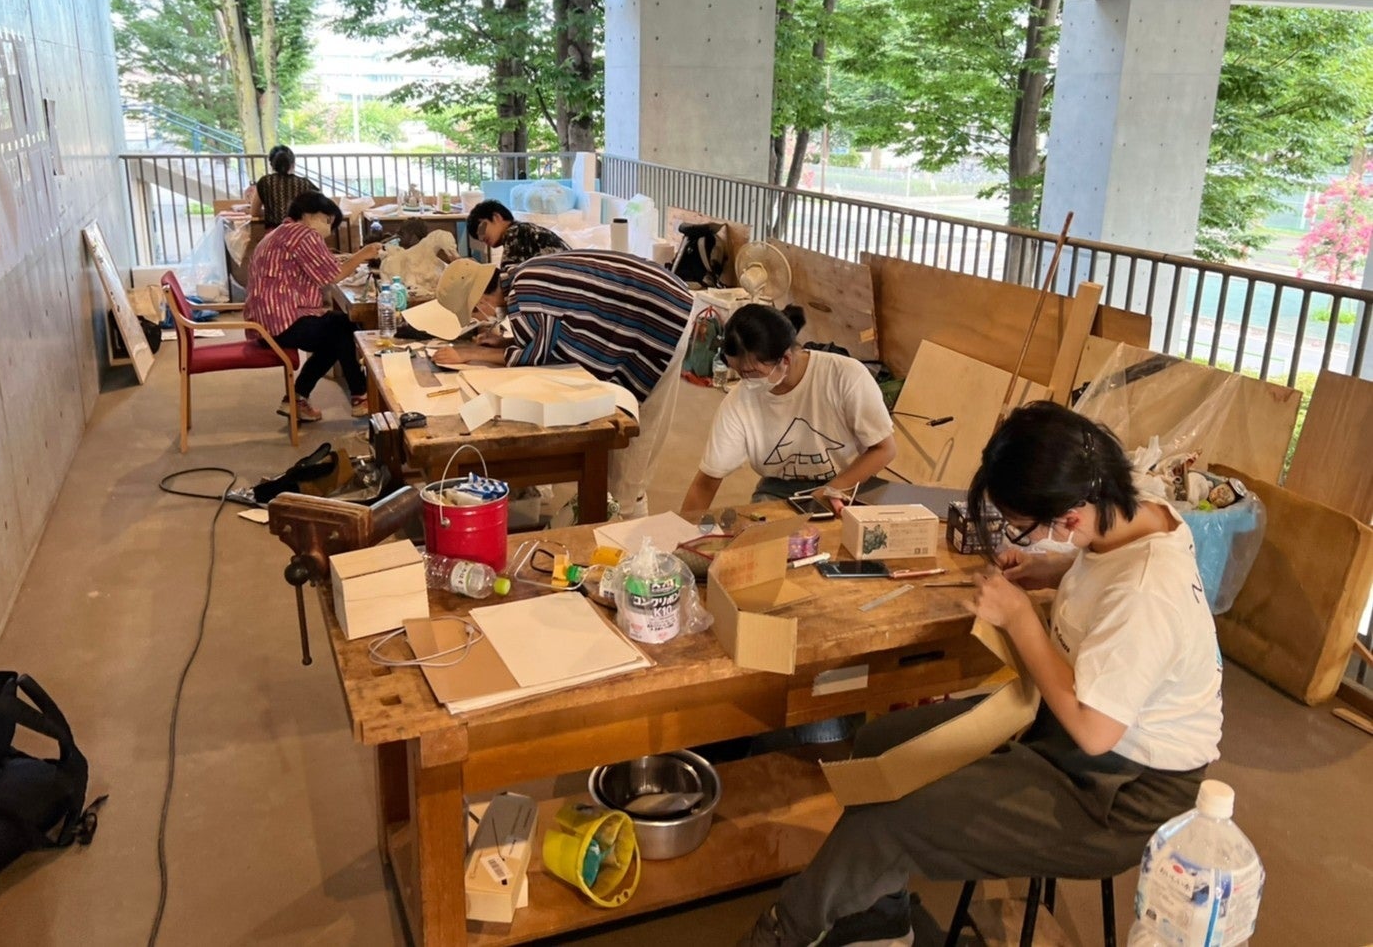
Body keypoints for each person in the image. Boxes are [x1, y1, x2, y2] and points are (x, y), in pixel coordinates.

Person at [739, 401, 1223, 947]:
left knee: (891, 816)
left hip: (1119, 792)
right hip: (1069, 730)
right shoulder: (1133, 509)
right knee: (878, 747)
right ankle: (881, 916)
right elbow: (1108, 567)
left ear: (1068, 518)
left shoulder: (1145, 594)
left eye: (1021, 530)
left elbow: (1095, 731)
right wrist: (1053, 567)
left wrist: (1020, 620)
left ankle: (783, 932)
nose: (1019, 540)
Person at [433, 250, 695, 517]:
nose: (480, 320)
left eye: (475, 314)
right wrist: (504, 343)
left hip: (663, 315)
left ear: (480, 301)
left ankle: (630, 523)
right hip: (657, 301)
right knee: (626, 453)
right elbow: (548, 335)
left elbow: (537, 355)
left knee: (634, 441)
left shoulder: (524, 294)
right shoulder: (522, 277)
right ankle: (624, 509)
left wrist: (471, 354)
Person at [682, 305, 897, 515]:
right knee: (766, 531)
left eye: (750, 372)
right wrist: (684, 531)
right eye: (737, 371)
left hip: (852, 480)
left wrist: (831, 490)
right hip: (779, 489)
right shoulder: (739, 402)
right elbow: (706, 483)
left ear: (785, 359)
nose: (744, 381)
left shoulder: (845, 376)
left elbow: (884, 449)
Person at [243, 193, 382, 423]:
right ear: (308, 213)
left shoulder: (277, 233)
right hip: (281, 322)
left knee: (335, 333)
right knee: (343, 327)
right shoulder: (303, 234)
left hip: (263, 323)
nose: (327, 227)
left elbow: (320, 267)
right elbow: (333, 276)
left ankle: (297, 399)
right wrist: (364, 254)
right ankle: (361, 396)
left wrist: (349, 259)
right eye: (327, 220)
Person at [466, 199, 568, 276]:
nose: (482, 238)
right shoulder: (525, 231)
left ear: (496, 217)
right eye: (478, 237)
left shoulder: (516, 232)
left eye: (481, 230)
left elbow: (508, 280)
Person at [248, 145, 318, 229]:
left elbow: (254, 212)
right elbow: (322, 205)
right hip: (299, 233)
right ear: (292, 164)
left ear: (271, 165)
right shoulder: (305, 183)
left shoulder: (265, 182)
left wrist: (270, 212)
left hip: (274, 234)